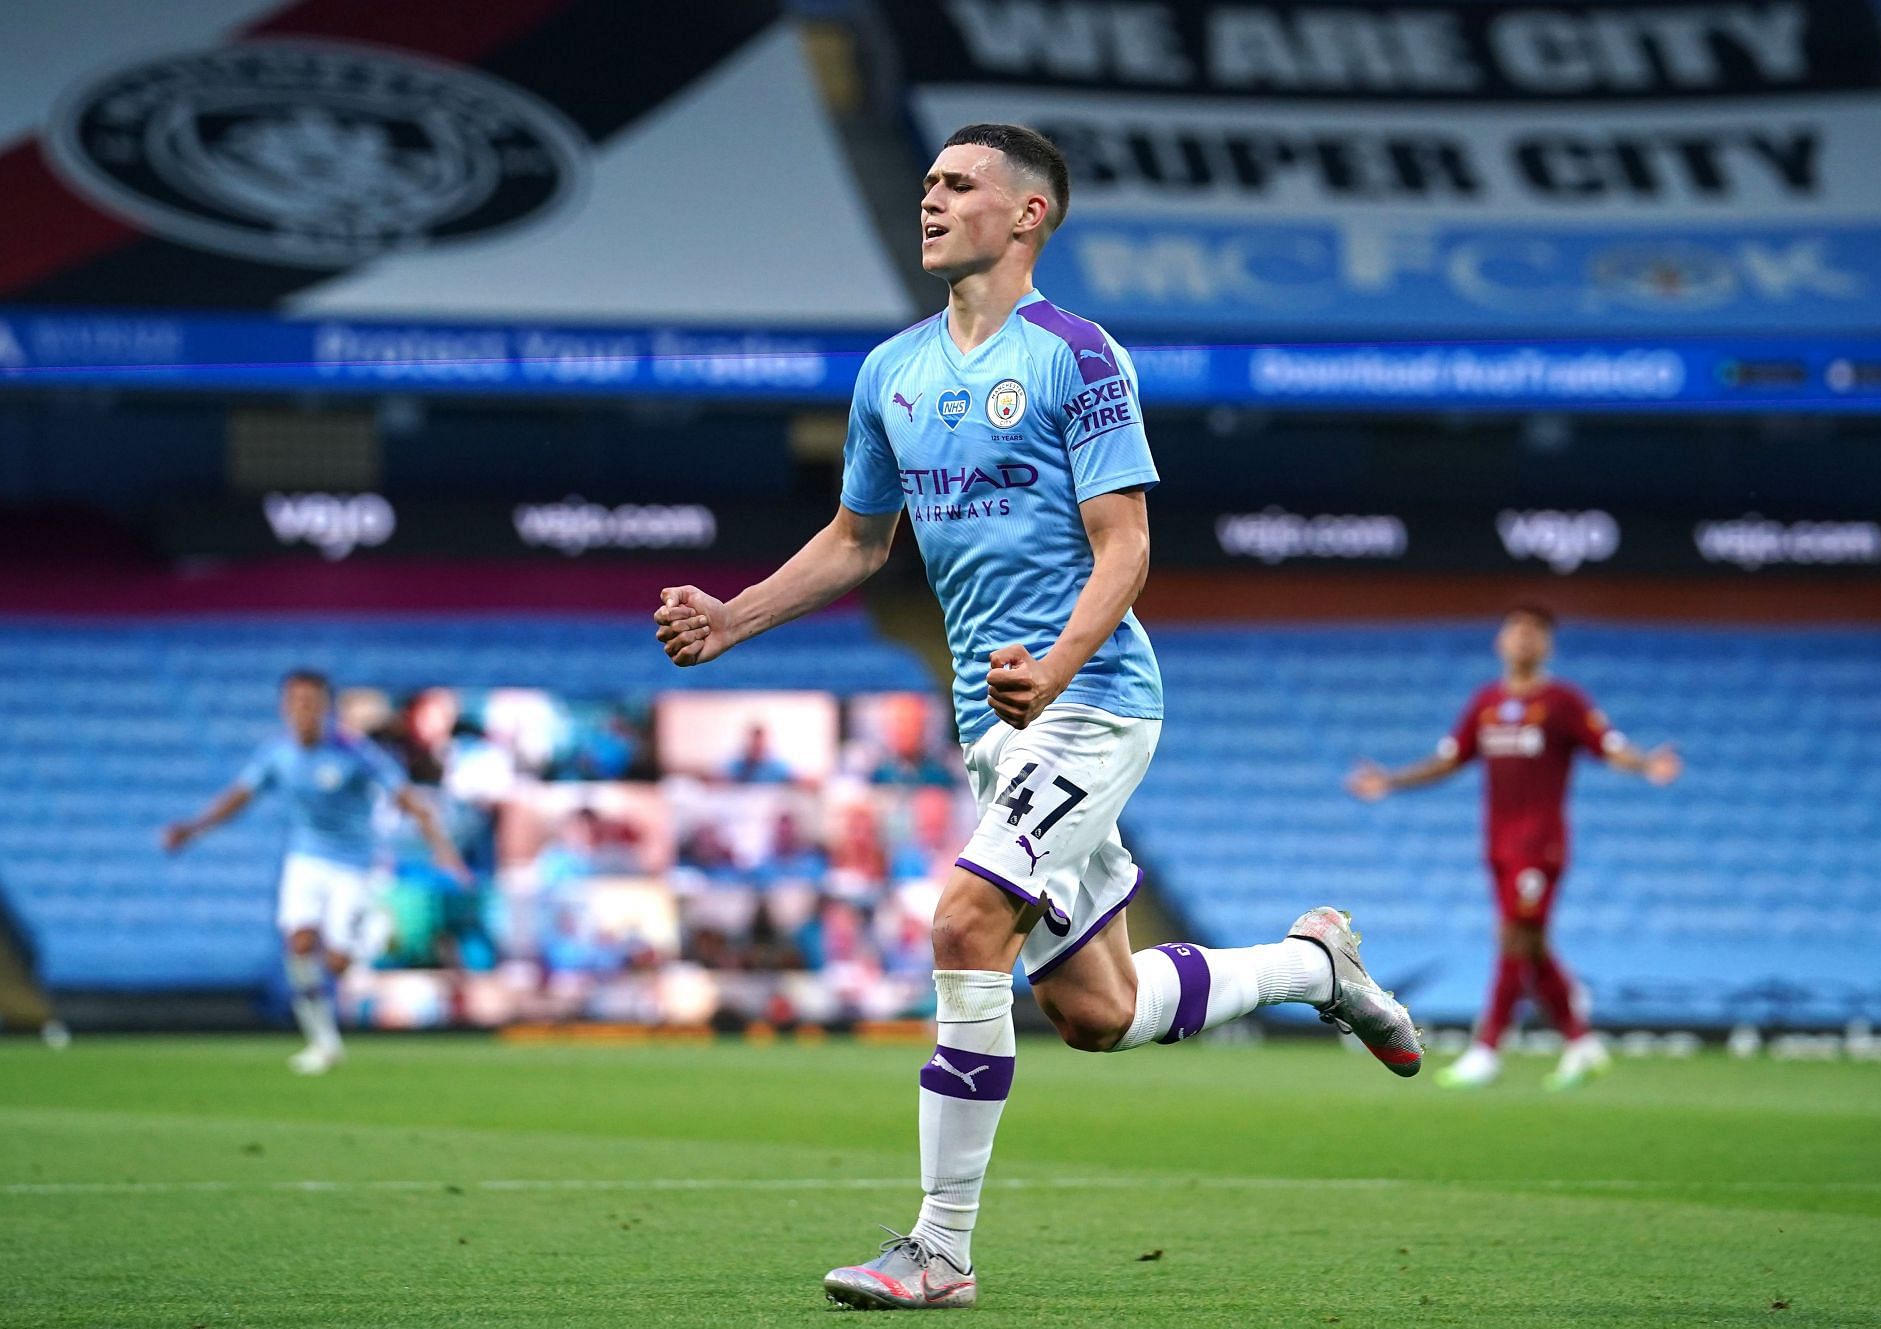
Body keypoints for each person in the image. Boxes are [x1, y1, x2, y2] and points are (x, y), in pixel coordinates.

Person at [653, 122, 1423, 1311]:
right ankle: (1313, 965)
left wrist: (1060, 667)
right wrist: (732, 615)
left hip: (1095, 702)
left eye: (957, 185)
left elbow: (1128, 549)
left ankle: (940, 1251)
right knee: (1098, 1014)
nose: (931, 201)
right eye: (926, 184)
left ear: (1028, 216)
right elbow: (860, 542)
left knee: (966, 925)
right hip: (994, 722)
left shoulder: (1077, 355)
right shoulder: (890, 373)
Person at [1348, 605, 1682, 1091]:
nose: (1524, 639)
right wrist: (1391, 780)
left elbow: (1608, 745)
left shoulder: (1563, 701)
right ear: (1500, 642)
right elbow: (1449, 760)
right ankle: (1581, 1042)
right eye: (1516, 630)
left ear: (1546, 645)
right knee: (1532, 943)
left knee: (1513, 937)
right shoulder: (1485, 703)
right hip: (1499, 845)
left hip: (1540, 844)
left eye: (1534, 632)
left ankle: (1487, 1050)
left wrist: (1646, 763)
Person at [162, 669, 468, 1074]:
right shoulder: (277, 755)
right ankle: (323, 1041)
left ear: (325, 707)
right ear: (285, 707)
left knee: (338, 963)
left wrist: (442, 848)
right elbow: (240, 796)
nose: (303, 710)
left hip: (355, 865)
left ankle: (369, 933)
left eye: (311, 702)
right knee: (301, 944)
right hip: (306, 860)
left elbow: (407, 798)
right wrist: (194, 828)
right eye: (296, 702)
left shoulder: (355, 753)